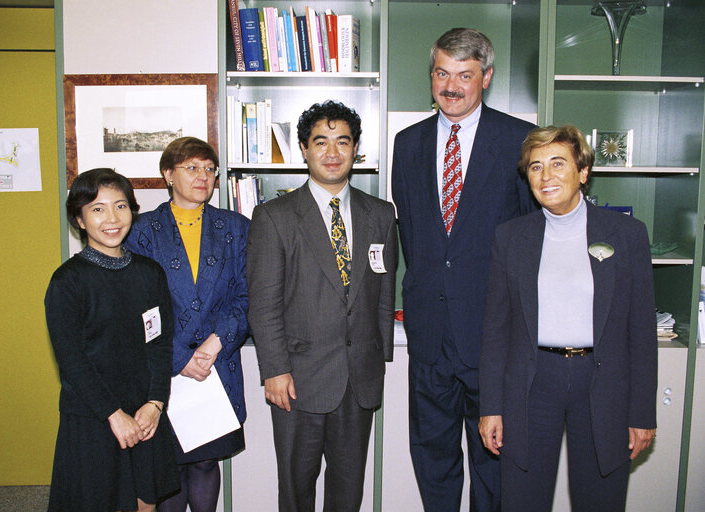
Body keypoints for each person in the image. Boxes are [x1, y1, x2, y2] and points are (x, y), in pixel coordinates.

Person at [390, 27, 536, 511]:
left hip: (493, 338)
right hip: (429, 337)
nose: (450, 86)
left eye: (464, 76)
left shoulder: (519, 141)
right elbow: (413, 234)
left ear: (486, 77)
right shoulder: (407, 144)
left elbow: (531, 242)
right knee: (432, 460)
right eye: (441, 73)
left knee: (493, 465)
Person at [478, 125, 658, 511]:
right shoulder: (510, 238)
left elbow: (641, 333)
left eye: (558, 164)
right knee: (522, 500)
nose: (546, 176)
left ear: (584, 171)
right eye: (535, 167)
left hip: (602, 382)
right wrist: (490, 406)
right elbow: (496, 331)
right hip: (531, 385)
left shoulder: (627, 235)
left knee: (600, 500)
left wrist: (641, 413)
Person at [247, 100, 398, 512]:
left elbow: (384, 293)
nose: (332, 153)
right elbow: (263, 303)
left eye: (343, 142)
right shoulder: (274, 217)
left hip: (359, 379)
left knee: (348, 490)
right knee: (296, 490)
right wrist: (274, 369)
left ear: (356, 149)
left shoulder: (381, 215)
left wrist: (378, 356)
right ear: (304, 148)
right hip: (297, 378)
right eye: (321, 142)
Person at [125, 137, 250, 512]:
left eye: (210, 169)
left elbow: (249, 296)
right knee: (169, 464)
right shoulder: (141, 230)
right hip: (162, 368)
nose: (203, 176)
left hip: (217, 363)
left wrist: (213, 345)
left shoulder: (236, 227)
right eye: (192, 168)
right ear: (168, 174)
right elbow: (134, 304)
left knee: (206, 461)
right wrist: (180, 357)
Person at [45, 168, 178, 512]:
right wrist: (113, 415)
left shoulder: (150, 274)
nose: (112, 218)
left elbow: (160, 345)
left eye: (120, 206)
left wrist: (155, 403)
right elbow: (72, 360)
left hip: (144, 411)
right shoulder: (67, 282)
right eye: (97, 208)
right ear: (79, 218)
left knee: (145, 503)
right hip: (94, 416)